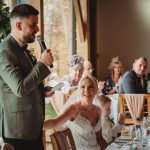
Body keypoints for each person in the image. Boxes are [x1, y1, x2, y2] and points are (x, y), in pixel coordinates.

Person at [0, 4, 53, 150]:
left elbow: (27, 83)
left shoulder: (22, 49)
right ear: (18, 25)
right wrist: (42, 63)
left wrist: (41, 91)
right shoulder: (5, 51)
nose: (37, 29)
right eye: (33, 25)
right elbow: (20, 88)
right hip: (18, 133)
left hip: (32, 129)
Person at [44, 75, 119, 150]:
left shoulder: (98, 110)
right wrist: (36, 126)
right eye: (83, 87)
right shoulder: (73, 109)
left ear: (96, 90)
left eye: (90, 87)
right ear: (79, 90)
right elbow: (55, 122)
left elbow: (100, 139)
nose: (86, 90)